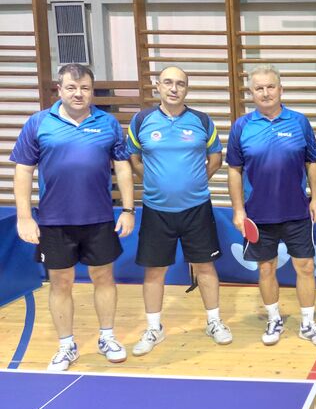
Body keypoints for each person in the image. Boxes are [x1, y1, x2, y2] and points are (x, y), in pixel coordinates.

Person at [11, 64, 135, 371]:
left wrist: (128, 209)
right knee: (60, 282)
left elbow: (122, 168)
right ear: (59, 89)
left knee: (103, 277)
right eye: (71, 88)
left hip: (99, 219)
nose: (78, 94)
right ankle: (66, 345)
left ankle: (107, 337)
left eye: (84, 88)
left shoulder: (107, 123)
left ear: (92, 91)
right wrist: (24, 217)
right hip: (54, 221)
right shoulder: (39, 122)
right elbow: (23, 170)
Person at [127, 66, 232, 355]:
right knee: (154, 270)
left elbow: (215, 158)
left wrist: (195, 182)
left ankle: (214, 322)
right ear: (158, 86)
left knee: (205, 266)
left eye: (180, 84)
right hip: (156, 210)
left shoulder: (202, 120)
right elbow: (133, 158)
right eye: (168, 83)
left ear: (187, 88)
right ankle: (154, 328)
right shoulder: (141, 120)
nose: (174, 88)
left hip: (196, 208)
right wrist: (153, 181)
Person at [226, 65, 316, 347]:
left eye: (270, 86)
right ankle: (274, 319)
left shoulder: (299, 122)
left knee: (305, 266)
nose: (265, 92)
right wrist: (238, 210)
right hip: (258, 214)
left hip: (297, 211)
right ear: (251, 93)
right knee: (266, 268)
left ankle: (307, 324)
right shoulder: (241, 127)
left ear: (280, 89)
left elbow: (312, 162)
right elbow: (234, 170)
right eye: (259, 88)